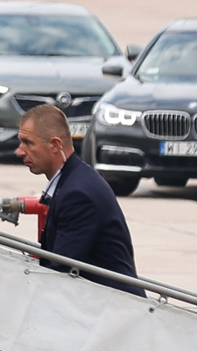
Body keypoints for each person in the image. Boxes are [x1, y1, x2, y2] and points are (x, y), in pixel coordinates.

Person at [16, 104, 144, 295]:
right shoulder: (73, 181)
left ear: (55, 145)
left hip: (113, 306)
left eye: (28, 143)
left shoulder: (77, 194)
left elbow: (60, 270)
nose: (20, 151)